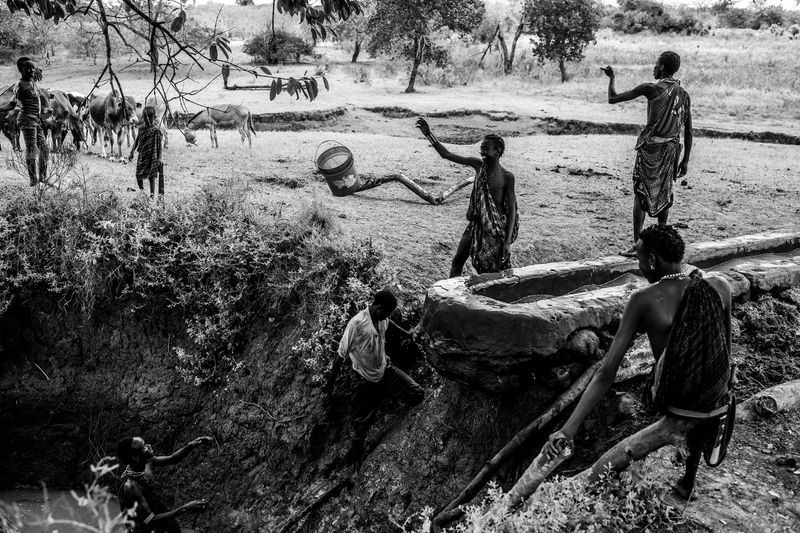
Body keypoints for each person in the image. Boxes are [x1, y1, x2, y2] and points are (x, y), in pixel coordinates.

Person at [545, 225, 735, 501]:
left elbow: (607, 372)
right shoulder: (718, 286)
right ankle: (688, 480)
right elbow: (724, 347)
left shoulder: (644, 299)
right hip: (716, 394)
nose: (640, 266)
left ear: (653, 260)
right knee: (702, 368)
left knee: (682, 376)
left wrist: (568, 429)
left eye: (639, 259)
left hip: (676, 398)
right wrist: (729, 381)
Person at [602, 52, 692, 256]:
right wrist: (685, 160)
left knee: (641, 193)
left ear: (661, 68)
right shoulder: (683, 95)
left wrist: (612, 78)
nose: (653, 67)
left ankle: (638, 244)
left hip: (651, 148)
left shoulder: (650, 89)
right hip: (671, 149)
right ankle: (661, 243)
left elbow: (612, 99)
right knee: (664, 192)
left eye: (655, 64)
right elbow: (688, 130)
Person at [415, 118, 518, 277]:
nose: (482, 151)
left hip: (494, 231)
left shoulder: (507, 177)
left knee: (497, 269)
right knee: (457, 261)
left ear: (497, 151)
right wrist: (429, 134)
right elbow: (446, 154)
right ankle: (450, 297)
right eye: (481, 148)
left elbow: (512, 211)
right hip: (475, 225)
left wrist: (507, 243)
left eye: (486, 148)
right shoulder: (478, 166)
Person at [336, 289, 424, 463]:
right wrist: (330, 383)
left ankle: (388, 414)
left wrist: (407, 334)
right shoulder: (357, 325)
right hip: (363, 381)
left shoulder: (382, 318)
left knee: (416, 392)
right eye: (387, 313)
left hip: (386, 370)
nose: (387, 317)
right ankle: (354, 460)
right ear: (377, 307)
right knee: (360, 424)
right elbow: (340, 355)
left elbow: (390, 323)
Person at [116, 435, 213, 532]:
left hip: (160, 519)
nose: (149, 446)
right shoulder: (131, 486)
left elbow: (173, 458)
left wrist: (191, 445)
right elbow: (150, 520)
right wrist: (186, 508)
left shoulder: (146, 463)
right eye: (144, 447)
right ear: (136, 457)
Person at [14, 57, 48, 186]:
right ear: (20, 70)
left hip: (36, 119)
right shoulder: (20, 85)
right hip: (26, 119)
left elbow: (35, 70)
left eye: (32, 68)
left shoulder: (32, 78)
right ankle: (33, 181)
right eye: (28, 68)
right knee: (31, 149)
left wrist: (37, 69)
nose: (31, 70)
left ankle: (43, 179)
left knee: (45, 149)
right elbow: (12, 104)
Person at [129, 106, 164, 199]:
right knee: (138, 175)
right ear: (143, 117)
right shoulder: (141, 128)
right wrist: (131, 152)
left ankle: (152, 195)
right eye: (145, 117)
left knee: (151, 176)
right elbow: (137, 140)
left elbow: (159, 145)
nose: (147, 119)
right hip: (142, 155)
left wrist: (160, 158)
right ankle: (142, 191)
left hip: (153, 155)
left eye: (150, 117)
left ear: (154, 117)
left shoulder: (156, 130)